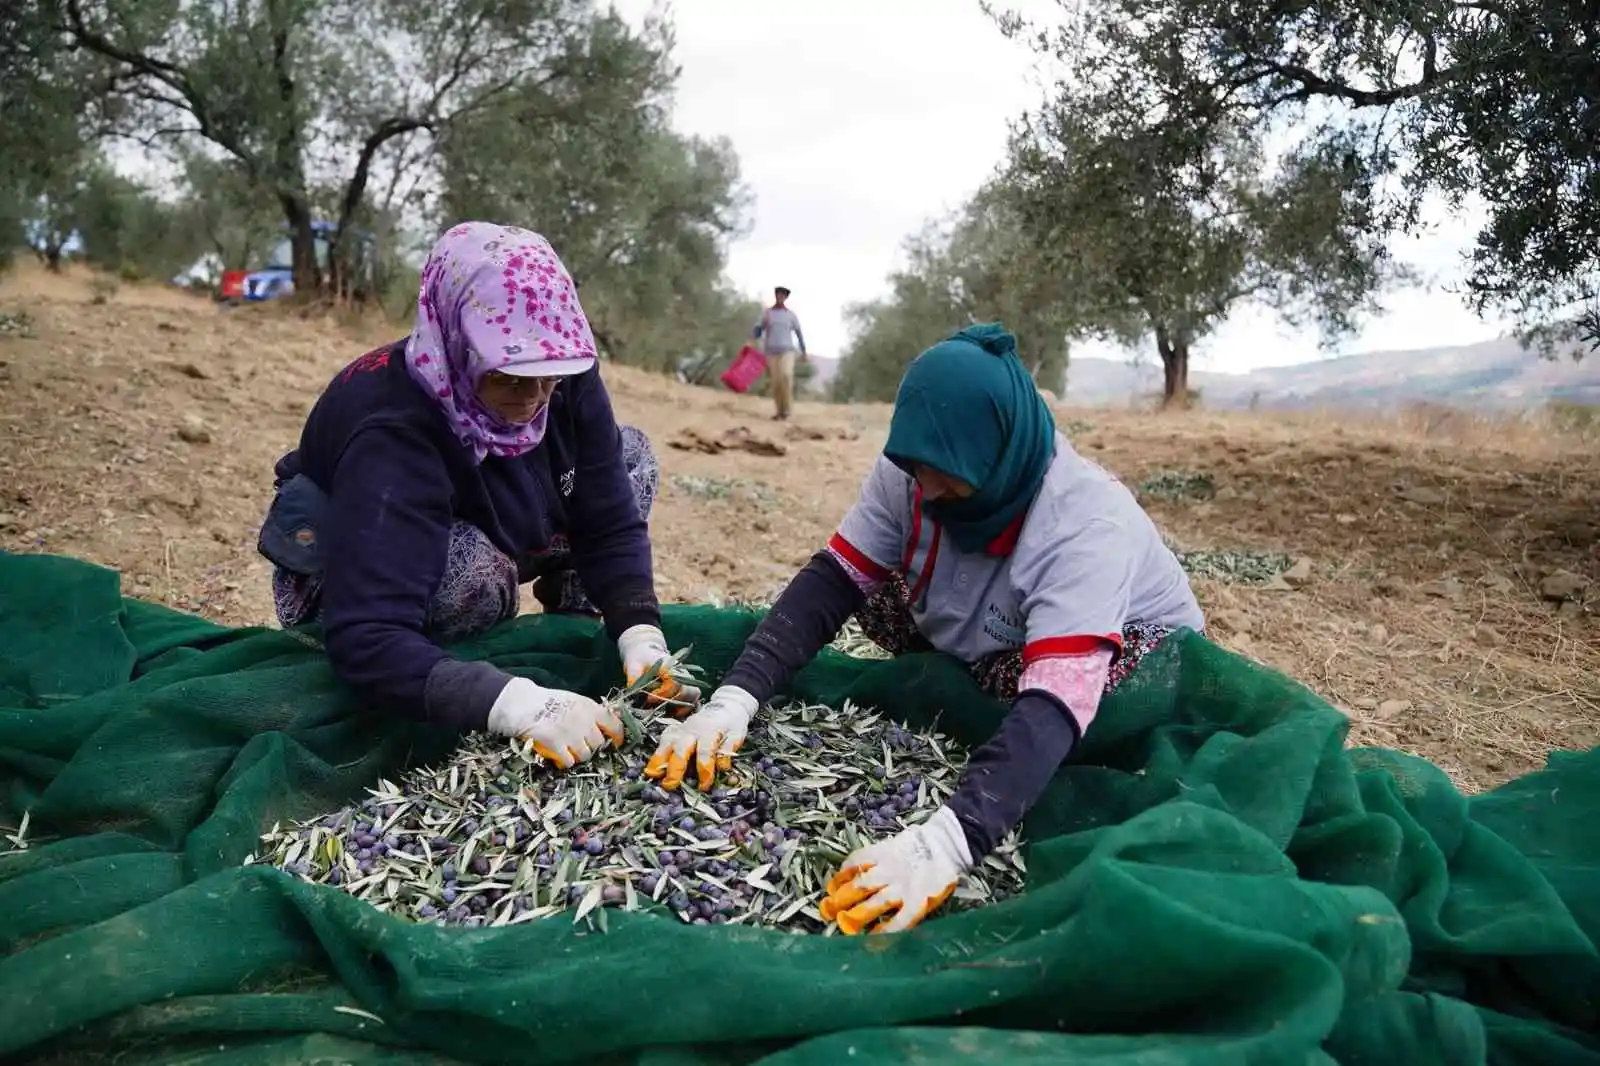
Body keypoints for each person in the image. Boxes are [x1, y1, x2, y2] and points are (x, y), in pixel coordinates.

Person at [645, 323, 1204, 934]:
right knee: (866, 583)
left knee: (1064, 692)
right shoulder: (914, 471)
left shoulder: (1085, 525)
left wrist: (947, 842)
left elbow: (1056, 698)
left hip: (1114, 664)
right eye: (918, 469)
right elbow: (831, 581)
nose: (929, 489)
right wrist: (734, 701)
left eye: (949, 474)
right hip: (993, 632)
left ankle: (992, 709)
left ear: (998, 453)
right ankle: (969, 679)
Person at [258, 221, 695, 765]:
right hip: (361, 568)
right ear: (460, 345)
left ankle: (570, 630)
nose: (535, 398)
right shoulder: (393, 429)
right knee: (471, 572)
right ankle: (454, 663)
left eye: (550, 376)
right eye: (510, 377)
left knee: (628, 456)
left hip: (482, 506)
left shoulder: (558, 370)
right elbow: (367, 634)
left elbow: (608, 518)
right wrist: (516, 705)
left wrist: (639, 634)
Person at [751, 286, 806, 421]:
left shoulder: (791, 315)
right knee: (776, 382)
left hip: (787, 351)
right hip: (771, 352)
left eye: (783, 295)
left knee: (786, 377)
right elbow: (759, 328)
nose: (780, 297)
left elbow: (799, 333)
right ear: (775, 296)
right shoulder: (768, 313)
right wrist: (751, 340)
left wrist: (804, 351)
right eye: (778, 294)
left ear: (786, 298)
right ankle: (779, 411)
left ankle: (786, 410)